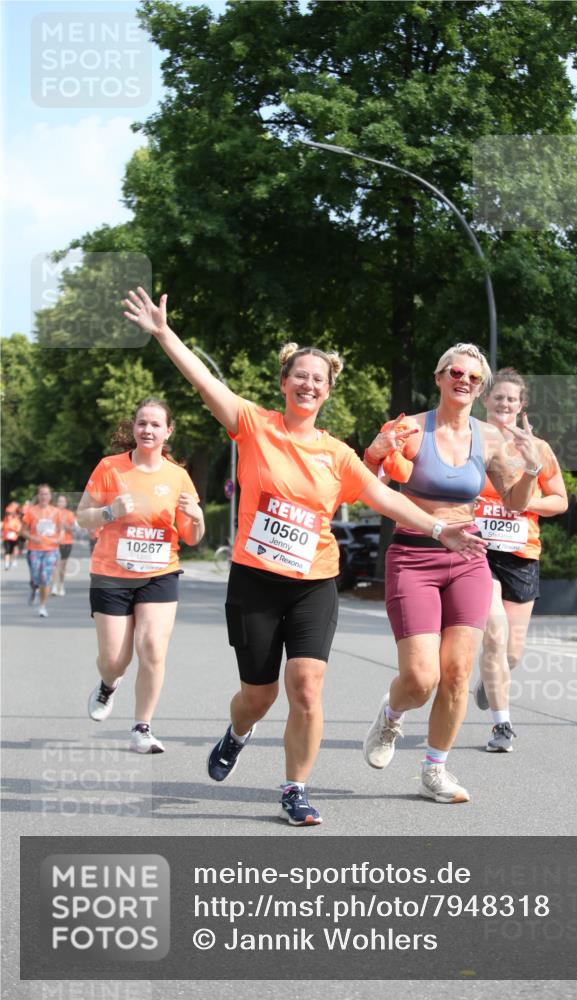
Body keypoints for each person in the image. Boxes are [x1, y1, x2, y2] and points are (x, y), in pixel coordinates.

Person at [122, 287, 487, 826]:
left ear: (328, 390)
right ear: (284, 382)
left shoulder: (336, 454)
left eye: (319, 378)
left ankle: (295, 788)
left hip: (315, 581)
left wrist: (439, 528)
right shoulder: (252, 423)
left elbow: (384, 497)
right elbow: (203, 381)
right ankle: (237, 732)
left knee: (307, 687)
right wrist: (162, 333)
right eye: (300, 375)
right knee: (259, 694)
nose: (308, 384)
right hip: (255, 581)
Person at [362, 344, 542, 803]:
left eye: (473, 377)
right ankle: (391, 716)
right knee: (421, 679)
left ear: (480, 388)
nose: (464, 380)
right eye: (456, 372)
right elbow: (369, 492)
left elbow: (517, 504)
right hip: (413, 557)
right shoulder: (410, 430)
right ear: (440, 377)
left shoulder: (491, 439)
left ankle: (435, 770)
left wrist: (531, 469)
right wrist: (373, 455)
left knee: (459, 673)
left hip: (468, 560)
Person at [76, 398, 205, 754]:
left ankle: (142, 727)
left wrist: (197, 517)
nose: (147, 430)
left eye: (155, 425)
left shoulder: (178, 476)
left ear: (168, 431)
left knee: (152, 648)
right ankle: (107, 683)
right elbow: (82, 516)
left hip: (159, 572)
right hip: (111, 574)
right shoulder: (110, 468)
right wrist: (108, 511)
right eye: (141, 423)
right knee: (115, 659)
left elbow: (193, 538)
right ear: (133, 428)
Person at [473, 368, 568, 752]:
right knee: (494, 635)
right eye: (498, 398)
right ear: (485, 401)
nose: (505, 404)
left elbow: (560, 500)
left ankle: (489, 680)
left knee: (511, 652)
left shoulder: (538, 448)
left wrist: (525, 502)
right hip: (479, 549)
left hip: (521, 554)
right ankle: (502, 725)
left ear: (521, 405)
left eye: (512, 399)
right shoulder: (469, 439)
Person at [21, 485, 61, 617]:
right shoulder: (31, 512)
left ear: (50, 496)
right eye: (41, 494)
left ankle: (43, 606)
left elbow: (61, 530)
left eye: (46, 494)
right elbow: (22, 531)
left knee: (45, 578)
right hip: (34, 550)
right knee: (36, 577)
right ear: (38, 496)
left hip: (51, 549)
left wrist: (59, 538)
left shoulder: (56, 512)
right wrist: (33, 537)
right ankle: (34, 586)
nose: (44, 496)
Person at [52, 494, 77, 596]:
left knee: (62, 566)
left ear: (66, 503)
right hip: (55, 542)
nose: (61, 503)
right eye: (59, 501)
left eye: (63, 501)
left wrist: (65, 525)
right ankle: (54, 586)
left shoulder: (70, 514)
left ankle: (61, 585)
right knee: (56, 565)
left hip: (67, 542)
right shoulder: (52, 513)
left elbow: (74, 529)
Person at [2, 502, 22, 570]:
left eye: (10, 513)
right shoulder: (5, 519)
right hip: (6, 538)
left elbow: (19, 529)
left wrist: (13, 529)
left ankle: (13, 561)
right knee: (7, 551)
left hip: (14, 538)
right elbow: (3, 527)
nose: (9, 514)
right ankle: (6, 564)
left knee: (14, 550)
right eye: (8, 513)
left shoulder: (16, 520)